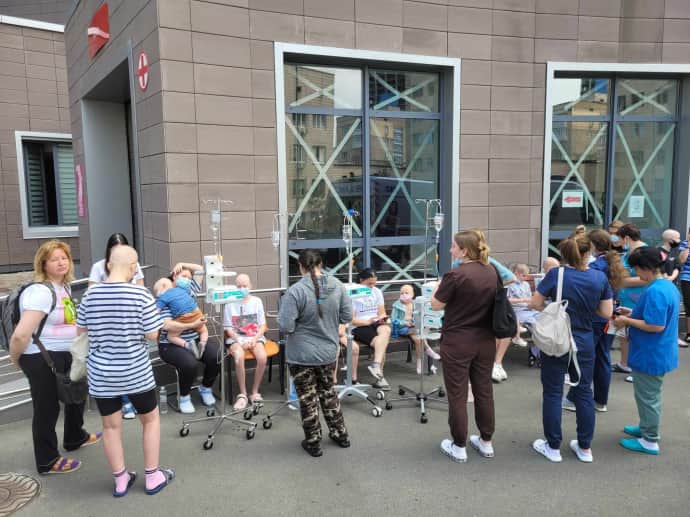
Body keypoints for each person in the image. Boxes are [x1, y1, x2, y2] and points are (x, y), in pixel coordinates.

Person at [77, 245, 174, 496]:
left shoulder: (90, 295)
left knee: (110, 427)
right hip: (135, 372)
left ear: (109, 265)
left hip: (102, 374)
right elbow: (152, 335)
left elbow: (81, 331)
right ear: (133, 267)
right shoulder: (140, 294)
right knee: (150, 421)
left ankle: (121, 480)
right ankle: (152, 476)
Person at [9, 240, 101, 475]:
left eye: (64, 258)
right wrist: (16, 359)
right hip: (41, 357)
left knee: (77, 394)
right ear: (43, 264)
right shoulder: (40, 292)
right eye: (54, 259)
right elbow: (21, 334)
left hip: (66, 353)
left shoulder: (64, 287)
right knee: (47, 408)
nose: (61, 262)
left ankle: (75, 437)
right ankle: (47, 460)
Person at [530, 234, 613, 463]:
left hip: (557, 338)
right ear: (589, 252)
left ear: (563, 254)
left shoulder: (556, 274)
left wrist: (555, 310)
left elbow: (535, 303)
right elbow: (606, 312)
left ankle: (553, 446)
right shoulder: (599, 277)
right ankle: (585, 447)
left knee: (553, 392)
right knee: (584, 391)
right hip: (584, 339)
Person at [431, 230, 498, 463]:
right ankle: (486, 441)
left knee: (458, 394)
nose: (451, 250)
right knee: (484, 390)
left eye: (453, 246)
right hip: (486, 340)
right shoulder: (492, 271)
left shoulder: (455, 275)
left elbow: (436, 305)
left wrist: (437, 287)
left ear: (465, 251)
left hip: (458, 341)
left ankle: (459, 445)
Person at [278, 250, 351, 457]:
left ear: (300, 266)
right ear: (321, 264)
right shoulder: (338, 286)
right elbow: (347, 315)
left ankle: (313, 442)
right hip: (328, 352)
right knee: (328, 392)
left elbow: (285, 325)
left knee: (307, 398)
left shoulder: (295, 291)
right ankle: (341, 435)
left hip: (301, 355)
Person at [612, 247, 680, 455]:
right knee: (648, 395)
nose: (636, 274)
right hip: (658, 350)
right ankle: (645, 428)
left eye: (637, 269)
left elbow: (655, 325)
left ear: (646, 268)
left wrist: (626, 320)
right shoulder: (666, 286)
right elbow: (656, 317)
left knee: (648, 397)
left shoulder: (655, 291)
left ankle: (650, 439)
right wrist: (632, 313)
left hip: (651, 353)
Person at [562, 229, 626, 414]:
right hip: (610, 316)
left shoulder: (596, 267)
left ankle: (575, 397)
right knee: (603, 357)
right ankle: (600, 400)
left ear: (593, 246)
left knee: (586, 360)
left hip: (596, 318)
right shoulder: (612, 262)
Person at [88, 232, 144, 420]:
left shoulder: (135, 266)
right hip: (107, 325)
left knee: (129, 360)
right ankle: (124, 402)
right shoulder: (98, 267)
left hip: (129, 322)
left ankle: (130, 400)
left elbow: (141, 288)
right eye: (114, 250)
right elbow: (91, 294)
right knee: (115, 361)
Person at [157, 262, 218, 414]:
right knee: (189, 363)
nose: (188, 280)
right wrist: (192, 324)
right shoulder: (165, 296)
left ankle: (206, 387)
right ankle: (184, 396)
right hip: (170, 344)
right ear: (174, 276)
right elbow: (167, 326)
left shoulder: (189, 291)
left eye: (189, 278)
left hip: (195, 337)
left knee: (216, 355)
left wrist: (182, 264)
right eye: (183, 276)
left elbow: (201, 270)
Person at [223, 273, 268, 410]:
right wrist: (240, 340)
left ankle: (254, 392)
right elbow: (228, 328)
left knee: (262, 358)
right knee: (239, 357)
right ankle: (242, 394)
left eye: (245, 285)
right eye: (239, 286)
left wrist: (254, 339)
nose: (242, 288)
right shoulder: (229, 304)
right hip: (236, 339)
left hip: (255, 337)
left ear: (250, 286)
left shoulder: (257, 301)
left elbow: (263, 326)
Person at [613, 224, 648, 381]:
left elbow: (646, 278)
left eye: (620, 239)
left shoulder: (642, 252)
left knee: (636, 335)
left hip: (636, 299)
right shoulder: (630, 251)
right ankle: (625, 363)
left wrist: (621, 282)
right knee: (624, 333)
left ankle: (638, 369)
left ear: (626, 238)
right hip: (626, 298)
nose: (618, 242)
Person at [350, 269, 392, 390]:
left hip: (375, 321)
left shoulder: (376, 291)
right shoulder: (354, 293)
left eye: (374, 283)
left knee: (386, 331)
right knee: (381, 342)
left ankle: (376, 365)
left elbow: (381, 312)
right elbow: (352, 319)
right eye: (369, 283)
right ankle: (380, 377)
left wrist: (382, 318)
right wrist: (368, 321)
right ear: (361, 280)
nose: (372, 286)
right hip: (360, 324)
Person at [391, 283, 440, 375]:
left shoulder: (415, 304)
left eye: (407, 293)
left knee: (418, 339)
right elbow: (393, 320)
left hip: (414, 328)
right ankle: (428, 350)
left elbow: (420, 315)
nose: (404, 295)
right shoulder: (397, 305)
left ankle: (419, 362)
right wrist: (404, 322)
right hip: (401, 329)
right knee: (420, 333)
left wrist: (416, 322)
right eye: (402, 293)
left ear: (413, 294)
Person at [154, 276, 208, 353]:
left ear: (163, 286)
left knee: (171, 337)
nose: (157, 294)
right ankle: (203, 343)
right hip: (196, 313)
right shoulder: (181, 289)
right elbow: (189, 288)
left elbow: (156, 310)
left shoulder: (163, 297)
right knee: (203, 331)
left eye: (157, 291)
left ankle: (187, 345)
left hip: (183, 317)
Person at [507, 264, 538, 347]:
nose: (525, 278)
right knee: (535, 323)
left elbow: (529, 298)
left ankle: (539, 346)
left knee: (543, 318)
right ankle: (536, 347)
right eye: (523, 275)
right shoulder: (509, 285)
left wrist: (532, 303)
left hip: (528, 309)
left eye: (526, 276)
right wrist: (523, 300)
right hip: (516, 310)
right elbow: (506, 300)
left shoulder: (526, 284)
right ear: (516, 273)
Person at [677, 228, 690, 345]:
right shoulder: (685, 244)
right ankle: (689, 333)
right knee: (689, 305)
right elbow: (681, 260)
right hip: (687, 278)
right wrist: (688, 245)